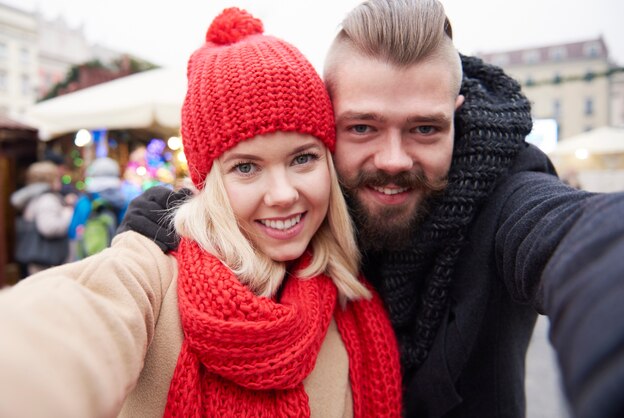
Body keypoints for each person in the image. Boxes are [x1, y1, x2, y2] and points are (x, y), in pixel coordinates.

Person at [121, 1, 624, 417]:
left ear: (457, 115)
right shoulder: (302, 209)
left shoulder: (508, 192)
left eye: (424, 129)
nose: (392, 160)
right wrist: (180, 220)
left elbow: (574, 237)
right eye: (362, 128)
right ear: (323, 126)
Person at [0, 8, 403, 418]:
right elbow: (63, 331)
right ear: (207, 183)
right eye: (246, 167)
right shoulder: (151, 275)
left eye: (303, 158)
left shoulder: (355, 306)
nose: (283, 194)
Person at [10, 161, 73, 276]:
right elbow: (49, 228)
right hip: (48, 262)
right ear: (50, 179)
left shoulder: (33, 198)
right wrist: (68, 212)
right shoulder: (47, 199)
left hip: (39, 260)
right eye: (57, 177)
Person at [67, 157, 129, 259]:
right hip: (116, 257)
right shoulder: (124, 200)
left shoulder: (85, 201)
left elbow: (73, 232)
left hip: (88, 260)